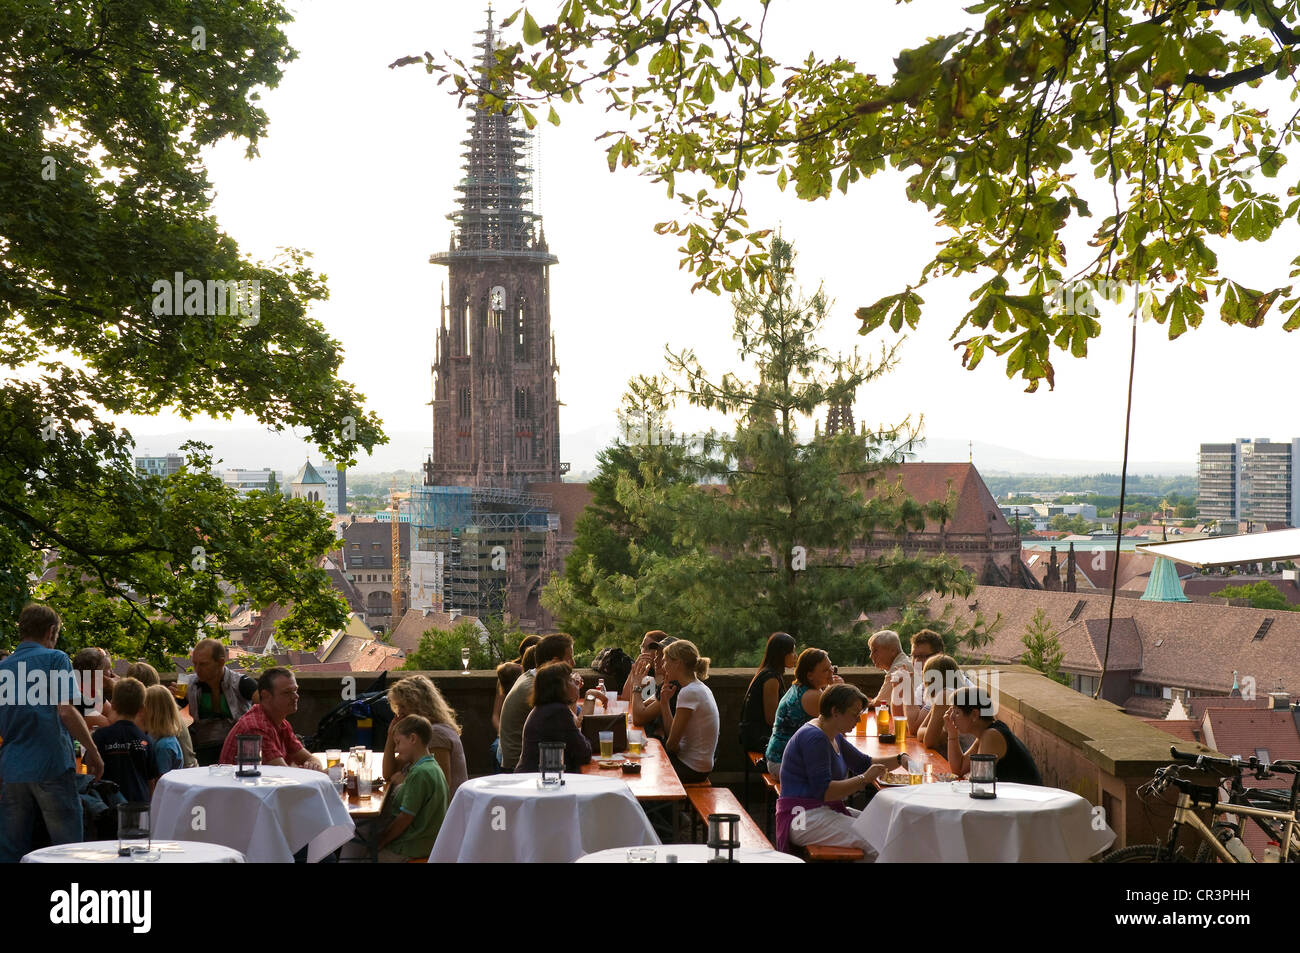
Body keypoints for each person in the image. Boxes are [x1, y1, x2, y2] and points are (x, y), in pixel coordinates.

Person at [0, 604, 104, 862]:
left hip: (12, 769)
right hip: (51, 764)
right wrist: (93, 752)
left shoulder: (3, 669)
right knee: (67, 850)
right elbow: (66, 711)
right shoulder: (56, 658)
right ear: (51, 631)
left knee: (12, 848)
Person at [776, 684, 907, 856]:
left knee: (886, 831)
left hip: (816, 811)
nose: (858, 721)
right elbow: (825, 792)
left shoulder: (832, 732)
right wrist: (864, 779)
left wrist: (900, 759)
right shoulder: (814, 738)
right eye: (854, 715)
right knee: (880, 842)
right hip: (801, 818)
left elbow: (863, 763)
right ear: (835, 711)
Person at [498, 633, 583, 771]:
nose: (573, 663)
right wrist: (574, 696)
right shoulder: (536, 688)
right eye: (569, 659)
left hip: (526, 760)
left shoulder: (532, 677)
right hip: (521, 768)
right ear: (556, 662)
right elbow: (572, 726)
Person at [375, 714, 450, 862]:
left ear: (413, 739)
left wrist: (381, 841)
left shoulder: (420, 773)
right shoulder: (432, 766)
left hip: (412, 846)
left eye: (398, 743)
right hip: (427, 843)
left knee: (363, 857)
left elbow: (405, 818)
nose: (396, 749)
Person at [218, 668, 323, 769]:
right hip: (240, 786)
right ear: (266, 695)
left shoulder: (282, 723)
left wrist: (314, 765)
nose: (296, 696)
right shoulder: (255, 728)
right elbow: (283, 774)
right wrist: (314, 770)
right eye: (287, 692)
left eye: (295, 690)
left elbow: (310, 758)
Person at [383, 675, 467, 796]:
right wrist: (391, 736)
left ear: (418, 705)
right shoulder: (421, 733)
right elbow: (389, 773)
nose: (399, 712)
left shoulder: (435, 734)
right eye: (398, 706)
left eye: (403, 706)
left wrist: (404, 781)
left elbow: (440, 787)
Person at [764, 648, 842, 777]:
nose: (831, 672)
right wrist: (838, 690)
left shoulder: (800, 687)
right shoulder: (812, 695)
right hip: (782, 763)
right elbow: (839, 723)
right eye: (825, 670)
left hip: (777, 757)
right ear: (810, 675)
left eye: (831, 667)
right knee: (838, 767)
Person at [943, 686, 1042, 785]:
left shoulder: (991, 736)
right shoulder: (985, 733)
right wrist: (952, 733)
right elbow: (959, 768)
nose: (951, 717)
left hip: (1025, 798)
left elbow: (979, 784)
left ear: (974, 715)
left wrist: (970, 776)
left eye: (956, 712)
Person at [184, 638, 257, 765]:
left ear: (221, 662)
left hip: (238, 751)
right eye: (194, 664)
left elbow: (268, 704)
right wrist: (173, 700)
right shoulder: (187, 683)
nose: (197, 669)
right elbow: (172, 719)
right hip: (201, 750)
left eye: (203, 664)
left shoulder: (242, 683)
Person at [516, 662, 593, 773]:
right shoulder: (557, 711)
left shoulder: (547, 708)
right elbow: (584, 753)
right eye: (571, 680)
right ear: (561, 687)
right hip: (537, 781)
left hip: (534, 777)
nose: (576, 683)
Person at [658, 640, 718, 783]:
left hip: (692, 768)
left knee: (649, 765)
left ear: (677, 663)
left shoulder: (689, 692)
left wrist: (669, 746)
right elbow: (673, 738)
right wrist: (664, 703)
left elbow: (672, 745)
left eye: (665, 661)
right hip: (699, 765)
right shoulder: (699, 688)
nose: (663, 666)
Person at [91, 677, 159, 801]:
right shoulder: (146, 740)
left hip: (109, 804)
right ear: (142, 709)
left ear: (113, 705)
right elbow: (151, 781)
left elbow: (91, 770)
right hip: (139, 805)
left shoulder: (100, 736)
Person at [739, 632, 796, 755]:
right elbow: (772, 719)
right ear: (782, 654)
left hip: (759, 735)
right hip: (759, 738)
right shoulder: (771, 679)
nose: (795, 656)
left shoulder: (772, 674)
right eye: (792, 652)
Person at [914, 654, 972, 752]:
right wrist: (941, 734)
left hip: (966, 760)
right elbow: (920, 731)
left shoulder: (945, 695)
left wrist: (938, 734)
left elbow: (929, 741)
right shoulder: (955, 692)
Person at [868, 629, 918, 722]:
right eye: (871, 651)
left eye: (875, 651)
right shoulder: (902, 662)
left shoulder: (898, 668)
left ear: (893, 651)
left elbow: (880, 703)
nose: (870, 656)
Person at [140, 684, 186, 776]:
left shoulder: (164, 746)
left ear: (152, 712)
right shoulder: (152, 736)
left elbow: (161, 780)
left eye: (143, 707)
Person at [71, 646, 117, 728]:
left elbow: (115, 716)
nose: (112, 674)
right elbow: (111, 726)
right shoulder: (78, 697)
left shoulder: (93, 691)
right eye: (108, 669)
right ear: (97, 673)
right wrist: (117, 690)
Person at [490, 661, 523, 768]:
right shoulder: (504, 687)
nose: (520, 665)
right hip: (504, 733)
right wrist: (501, 733)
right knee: (495, 748)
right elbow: (495, 715)